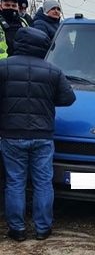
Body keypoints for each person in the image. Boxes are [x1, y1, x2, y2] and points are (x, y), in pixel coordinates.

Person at [0, 27, 76, 241]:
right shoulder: (53, 70)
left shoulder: (3, 67)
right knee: (43, 182)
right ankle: (43, 228)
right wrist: (46, 100)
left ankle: (17, 229)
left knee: (15, 182)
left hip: (12, 134)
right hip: (43, 134)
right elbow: (69, 99)